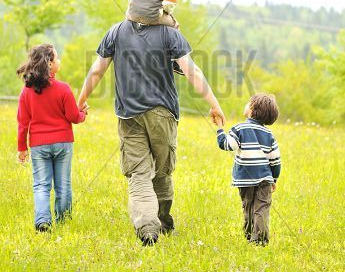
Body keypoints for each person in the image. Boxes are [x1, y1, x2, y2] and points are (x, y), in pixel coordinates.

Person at [77, 20, 225, 246]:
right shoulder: (169, 34)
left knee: (139, 173)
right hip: (163, 114)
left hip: (129, 116)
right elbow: (192, 72)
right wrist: (214, 104)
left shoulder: (115, 31)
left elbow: (97, 70)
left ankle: (147, 227)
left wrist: (81, 100)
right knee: (162, 171)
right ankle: (163, 223)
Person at [16, 44, 88, 232]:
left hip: (39, 145)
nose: (59, 60)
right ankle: (63, 221)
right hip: (63, 143)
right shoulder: (63, 88)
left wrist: (22, 148)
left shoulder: (26, 92)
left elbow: (22, 123)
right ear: (49, 63)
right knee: (63, 185)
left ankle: (42, 222)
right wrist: (83, 114)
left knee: (41, 185)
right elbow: (73, 117)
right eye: (57, 58)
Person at [216, 93, 281, 246]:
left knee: (248, 206)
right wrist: (274, 179)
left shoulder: (239, 128)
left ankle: (249, 235)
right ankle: (259, 240)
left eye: (248, 103)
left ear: (252, 109)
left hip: (244, 179)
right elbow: (275, 160)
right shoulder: (269, 134)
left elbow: (226, 145)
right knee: (262, 207)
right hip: (264, 179)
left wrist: (219, 129)